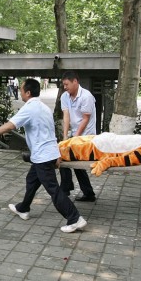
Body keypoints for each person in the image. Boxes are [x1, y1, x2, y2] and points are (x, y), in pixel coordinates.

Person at [0, 78, 86, 233]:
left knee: (53, 189)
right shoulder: (44, 107)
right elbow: (51, 133)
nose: (21, 92)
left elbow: (10, 126)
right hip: (47, 153)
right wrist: (56, 154)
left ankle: (74, 218)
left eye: (22, 89)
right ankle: (23, 208)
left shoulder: (29, 108)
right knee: (32, 180)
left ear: (28, 92)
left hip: (43, 156)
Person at [59, 71, 97, 202]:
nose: (65, 87)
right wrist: (65, 136)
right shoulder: (65, 96)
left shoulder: (87, 96)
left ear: (75, 81)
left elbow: (85, 119)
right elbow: (66, 116)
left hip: (87, 136)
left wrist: (74, 138)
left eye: (67, 84)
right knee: (66, 155)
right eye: (63, 85)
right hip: (74, 134)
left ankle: (65, 189)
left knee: (67, 158)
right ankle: (87, 192)